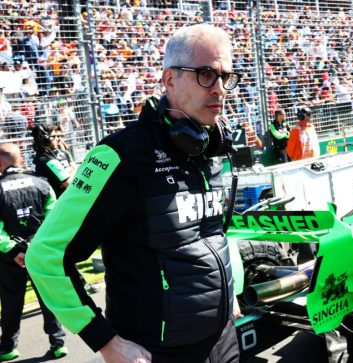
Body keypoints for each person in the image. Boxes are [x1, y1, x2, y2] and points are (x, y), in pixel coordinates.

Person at [26, 24, 240, 363]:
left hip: (223, 341)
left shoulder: (210, 149)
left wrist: (228, 294)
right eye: (205, 74)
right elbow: (45, 256)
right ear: (169, 79)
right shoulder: (119, 155)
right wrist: (106, 342)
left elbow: (212, 234)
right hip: (156, 353)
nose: (220, 89)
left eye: (226, 77)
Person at [0, 143, 67, 361]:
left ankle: (8, 347)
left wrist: (13, 251)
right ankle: (58, 343)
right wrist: (37, 248)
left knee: (11, 301)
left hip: (10, 258)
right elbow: (54, 221)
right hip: (40, 252)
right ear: (20, 160)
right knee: (48, 297)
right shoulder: (42, 183)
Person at [30, 124, 74, 198]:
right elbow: (70, 185)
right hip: (58, 202)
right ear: (45, 139)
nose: (57, 139)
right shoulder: (50, 161)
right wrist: (70, 170)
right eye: (53, 137)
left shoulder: (37, 158)